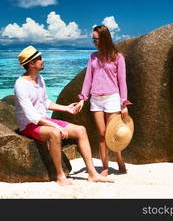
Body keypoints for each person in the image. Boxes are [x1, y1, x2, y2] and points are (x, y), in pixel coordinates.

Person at [14, 45, 113, 186]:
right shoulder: (20, 85)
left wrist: (66, 109)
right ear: (31, 64)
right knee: (55, 133)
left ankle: (92, 174)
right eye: (40, 58)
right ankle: (60, 176)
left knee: (81, 130)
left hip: (43, 120)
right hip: (29, 125)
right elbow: (31, 116)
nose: (43, 60)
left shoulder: (39, 78)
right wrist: (55, 125)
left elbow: (46, 102)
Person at [74, 25, 132, 176]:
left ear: (104, 38)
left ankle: (119, 159)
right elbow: (88, 79)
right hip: (96, 100)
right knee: (101, 134)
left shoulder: (118, 57)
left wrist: (124, 104)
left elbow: (122, 81)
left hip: (112, 98)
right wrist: (82, 99)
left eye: (96, 39)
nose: (94, 42)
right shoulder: (93, 57)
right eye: (93, 39)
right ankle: (105, 167)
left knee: (112, 134)